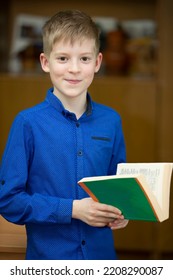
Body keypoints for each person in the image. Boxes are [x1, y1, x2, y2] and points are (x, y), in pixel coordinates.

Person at [0, 10, 128, 260]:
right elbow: (8, 201)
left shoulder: (111, 121)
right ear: (45, 62)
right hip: (48, 262)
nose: (74, 69)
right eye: (62, 58)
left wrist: (121, 213)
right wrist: (72, 209)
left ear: (97, 62)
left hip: (101, 261)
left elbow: (117, 188)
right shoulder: (27, 123)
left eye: (84, 58)